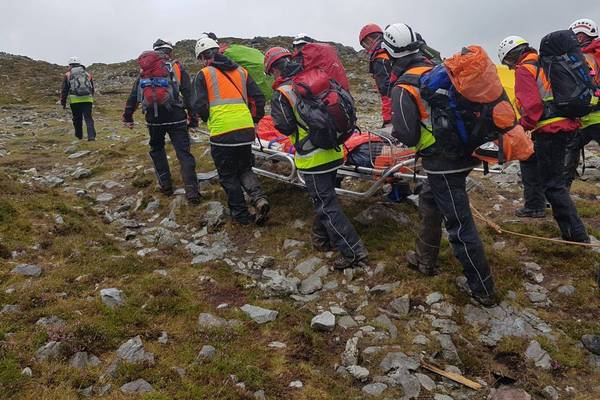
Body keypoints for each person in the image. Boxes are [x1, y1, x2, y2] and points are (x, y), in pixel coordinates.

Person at [385, 23, 497, 306]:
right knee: (429, 200)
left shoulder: (403, 87)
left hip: (441, 161)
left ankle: (483, 289)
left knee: (459, 224)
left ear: (390, 53)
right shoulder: (439, 70)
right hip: (467, 151)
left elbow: (408, 135)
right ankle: (425, 259)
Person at [265, 46, 368, 269]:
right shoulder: (318, 78)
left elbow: (284, 125)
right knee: (327, 198)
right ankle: (322, 240)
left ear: (274, 69)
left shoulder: (283, 93)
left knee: (326, 205)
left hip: (312, 158)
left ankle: (353, 252)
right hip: (335, 151)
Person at [498, 35, 589, 243]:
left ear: (512, 57)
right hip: (567, 125)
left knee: (553, 185)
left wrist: (520, 127)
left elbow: (532, 109)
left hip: (550, 130)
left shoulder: (524, 69)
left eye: (508, 63)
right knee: (545, 173)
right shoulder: (546, 63)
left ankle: (576, 236)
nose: (510, 69)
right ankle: (542, 211)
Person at [192, 36, 270, 225]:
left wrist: (207, 117)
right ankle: (259, 197)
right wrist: (254, 119)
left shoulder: (204, 74)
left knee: (228, 175)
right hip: (245, 128)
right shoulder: (241, 72)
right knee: (244, 168)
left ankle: (241, 215)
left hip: (222, 132)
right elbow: (259, 97)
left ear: (204, 57)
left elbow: (199, 104)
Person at [122, 39, 200, 203]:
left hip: (153, 119)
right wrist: (193, 119)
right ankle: (192, 191)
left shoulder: (145, 70)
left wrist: (128, 117)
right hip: (176, 117)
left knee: (157, 149)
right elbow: (189, 94)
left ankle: (166, 186)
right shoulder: (176, 67)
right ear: (169, 52)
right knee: (183, 152)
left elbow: (134, 96)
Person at [565, 18, 600, 184]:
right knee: (570, 148)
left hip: (594, 115)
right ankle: (560, 193)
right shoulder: (584, 56)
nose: (577, 40)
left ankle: (561, 191)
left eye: (579, 37)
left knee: (570, 149)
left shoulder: (587, 57)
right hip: (585, 117)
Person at [60, 56, 96, 141]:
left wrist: (63, 102)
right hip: (87, 99)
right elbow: (92, 88)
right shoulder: (87, 74)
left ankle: (79, 136)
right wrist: (91, 98)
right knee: (88, 118)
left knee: (77, 118)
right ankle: (91, 136)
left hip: (74, 100)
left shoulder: (68, 75)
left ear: (70, 65)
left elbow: (64, 90)